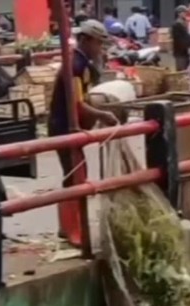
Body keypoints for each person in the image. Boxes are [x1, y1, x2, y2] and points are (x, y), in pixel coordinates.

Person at [47, 19, 118, 246]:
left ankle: (67, 227)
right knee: (75, 176)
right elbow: (77, 104)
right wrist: (101, 115)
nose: (100, 48)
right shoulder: (75, 65)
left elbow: (83, 99)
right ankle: (70, 229)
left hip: (70, 124)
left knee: (75, 174)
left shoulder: (83, 64)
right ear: (86, 40)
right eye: (98, 43)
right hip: (63, 125)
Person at [171, 5, 190, 71]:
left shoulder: (184, 22)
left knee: (186, 69)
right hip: (180, 51)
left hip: (185, 50)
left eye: (185, 12)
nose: (185, 14)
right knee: (181, 70)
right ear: (179, 13)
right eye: (183, 12)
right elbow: (178, 40)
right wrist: (186, 47)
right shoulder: (177, 24)